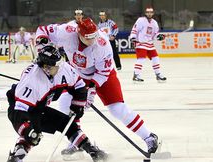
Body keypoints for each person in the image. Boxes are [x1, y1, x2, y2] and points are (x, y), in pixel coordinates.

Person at [35, 17, 159, 160]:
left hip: (103, 75)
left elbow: (103, 72)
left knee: (117, 109)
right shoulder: (67, 31)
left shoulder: (102, 43)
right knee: (65, 103)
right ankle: (75, 141)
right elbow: (43, 30)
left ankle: (149, 137)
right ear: (79, 34)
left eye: (94, 36)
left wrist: (91, 90)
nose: (93, 41)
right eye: (88, 38)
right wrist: (41, 45)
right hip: (77, 73)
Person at [6, 45, 108, 162]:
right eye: (57, 65)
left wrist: (77, 106)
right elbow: (18, 112)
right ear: (46, 67)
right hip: (21, 108)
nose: (61, 66)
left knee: (68, 124)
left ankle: (91, 150)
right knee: (33, 135)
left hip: (40, 105)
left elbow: (79, 85)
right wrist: (26, 129)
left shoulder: (62, 68)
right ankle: (17, 157)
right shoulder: (32, 81)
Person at [129, 7, 167, 82]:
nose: (149, 14)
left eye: (151, 12)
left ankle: (158, 74)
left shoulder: (154, 23)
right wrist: (133, 38)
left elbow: (155, 34)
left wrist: (159, 36)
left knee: (155, 58)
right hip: (141, 42)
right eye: (148, 12)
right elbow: (134, 29)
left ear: (153, 13)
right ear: (146, 13)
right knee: (141, 59)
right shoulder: (141, 20)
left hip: (150, 43)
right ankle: (136, 75)